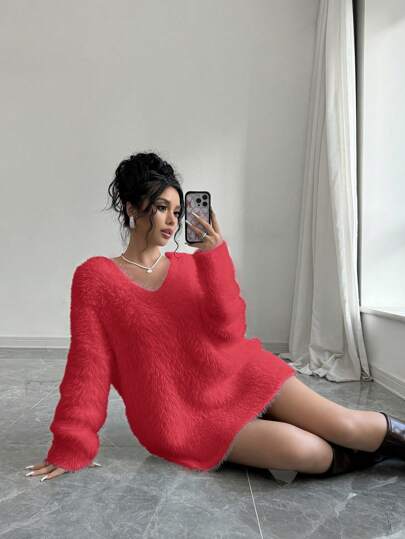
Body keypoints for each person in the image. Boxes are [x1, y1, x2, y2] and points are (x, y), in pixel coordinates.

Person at [24, 152, 405, 482]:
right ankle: (292, 441)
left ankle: (351, 442)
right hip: (182, 418)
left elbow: (230, 331)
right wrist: (72, 445)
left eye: (177, 211)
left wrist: (215, 256)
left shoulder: (192, 265)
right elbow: (88, 367)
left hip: (241, 373)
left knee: (347, 426)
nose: (172, 221)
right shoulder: (96, 277)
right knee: (311, 452)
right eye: (161, 208)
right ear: (131, 208)